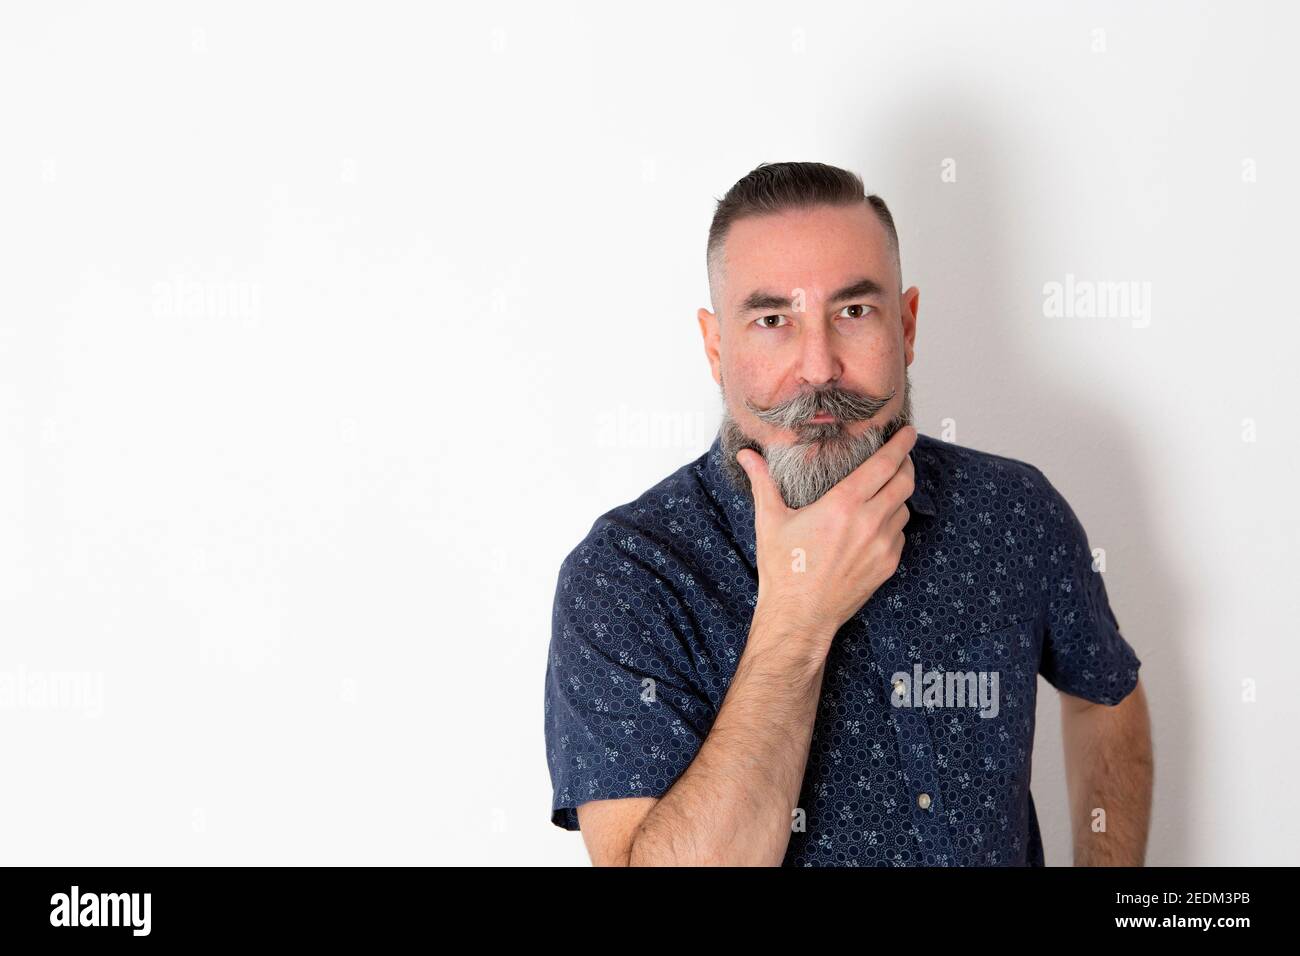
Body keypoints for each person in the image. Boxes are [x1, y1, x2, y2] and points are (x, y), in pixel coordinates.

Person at [543, 161, 1153, 866]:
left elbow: (1107, 696)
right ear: (716, 348)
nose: (819, 367)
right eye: (774, 320)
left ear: (908, 325)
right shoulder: (627, 577)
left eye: (854, 312)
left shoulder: (1014, 514)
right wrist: (797, 622)